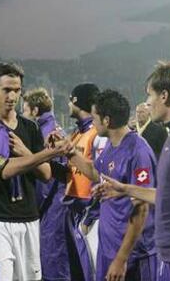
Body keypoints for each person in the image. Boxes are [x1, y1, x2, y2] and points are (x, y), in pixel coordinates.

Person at [94, 61, 170, 281]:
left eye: (150, 95)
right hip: (168, 258)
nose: (148, 103)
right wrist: (126, 189)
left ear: (164, 96)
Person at [0, 62, 67, 280]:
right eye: (6, 90)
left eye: (17, 90)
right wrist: (46, 154)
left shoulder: (30, 127)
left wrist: (25, 151)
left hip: (29, 219)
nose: (12, 96)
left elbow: (46, 174)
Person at [54, 89, 157, 281]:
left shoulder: (139, 152)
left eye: (94, 118)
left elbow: (142, 209)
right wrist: (70, 152)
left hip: (132, 256)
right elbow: (96, 173)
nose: (92, 122)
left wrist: (121, 258)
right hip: (109, 248)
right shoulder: (110, 144)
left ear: (107, 121)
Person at [22, 87, 70, 281]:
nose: (22, 115)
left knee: (52, 262)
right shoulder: (56, 128)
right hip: (58, 203)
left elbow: (46, 180)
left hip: (51, 205)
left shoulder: (43, 133)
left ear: (34, 111)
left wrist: (34, 208)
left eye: (24, 110)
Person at [64, 83, 107, 280]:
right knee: (79, 270)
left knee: (93, 269)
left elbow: (102, 176)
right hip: (75, 207)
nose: (68, 103)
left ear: (77, 101)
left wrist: (92, 215)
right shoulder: (77, 133)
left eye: (70, 99)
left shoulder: (97, 134)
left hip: (89, 210)